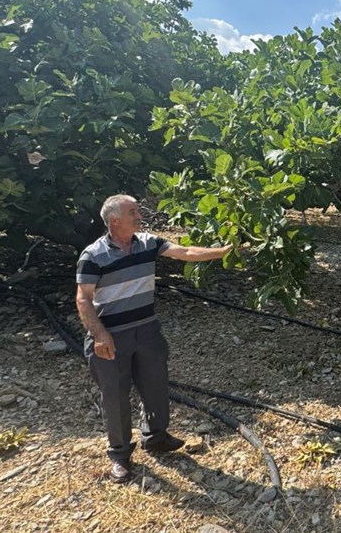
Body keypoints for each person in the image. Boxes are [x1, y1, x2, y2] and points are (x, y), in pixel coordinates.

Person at [75, 194, 233, 483]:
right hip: (112, 336)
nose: (139, 215)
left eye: (137, 210)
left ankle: (156, 437)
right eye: (132, 212)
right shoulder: (93, 255)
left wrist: (220, 253)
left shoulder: (148, 242)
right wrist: (99, 334)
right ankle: (120, 456)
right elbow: (83, 299)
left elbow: (185, 252)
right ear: (114, 220)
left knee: (156, 387)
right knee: (115, 397)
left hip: (147, 330)